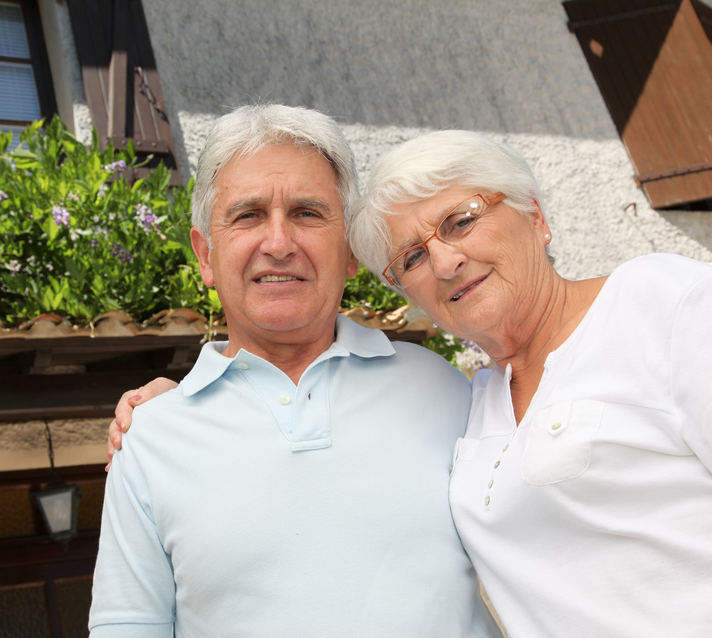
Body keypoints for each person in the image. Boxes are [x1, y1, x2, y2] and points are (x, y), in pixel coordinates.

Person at [109, 129, 712, 637]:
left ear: (537, 215)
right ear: (206, 256)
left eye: (461, 221)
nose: (445, 261)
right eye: (414, 258)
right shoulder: (480, 402)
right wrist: (176, 408)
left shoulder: (665, 304)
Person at [89, 106, 501, 637]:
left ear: (350, 250)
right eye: (247, 215)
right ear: (205, 256)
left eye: (307, 213)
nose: (278, 243)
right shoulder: (148, 440)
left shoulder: (444, 387)